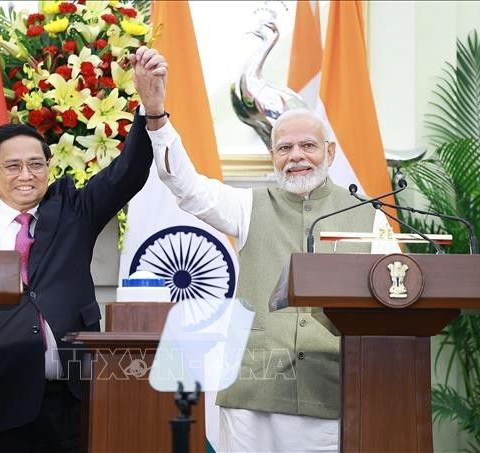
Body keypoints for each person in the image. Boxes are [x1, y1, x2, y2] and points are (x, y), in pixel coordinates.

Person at [131, 46, 397, 452]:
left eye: (307, 146)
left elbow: (396, 299)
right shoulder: (249, 205)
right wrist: (156, 113)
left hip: (329, 395)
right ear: (272, 156)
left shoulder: (369, 217)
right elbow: (186, 186)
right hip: (254, 396)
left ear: (330, 152)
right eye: (284, 148)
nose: (296, 157)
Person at [0, 115, 154, 452]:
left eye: (36, 164)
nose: (26, 175)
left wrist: (149, 111)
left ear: (48, 167)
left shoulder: (75, 213)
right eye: (12, 166)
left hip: (71, 404)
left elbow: (129, 171)